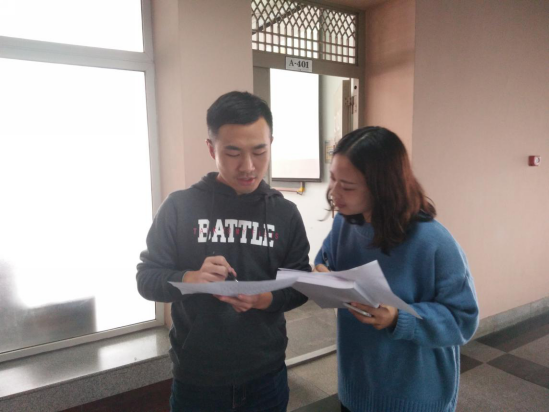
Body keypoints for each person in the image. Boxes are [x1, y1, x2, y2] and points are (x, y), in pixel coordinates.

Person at [137, 91, 310, 412]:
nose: (248, 166)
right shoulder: (179, 207)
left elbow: (300, 285)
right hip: (198, 380)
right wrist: (191, 278)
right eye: (233, 152)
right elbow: (146, 280)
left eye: (260, 151)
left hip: (266, 376)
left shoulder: (285, 213)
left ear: (271, 143)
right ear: (211, 148)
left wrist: (264, 299)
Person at [315, 126, 479, 412]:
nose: (334, 192)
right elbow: (325, 260)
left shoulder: (433, 242)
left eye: (348, 186)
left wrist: (398, 318)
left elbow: (463, 319)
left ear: (381, 188)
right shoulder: (344, 223)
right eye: (333, 179)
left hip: (414, 397)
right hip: (356, 388)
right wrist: (324, 275)